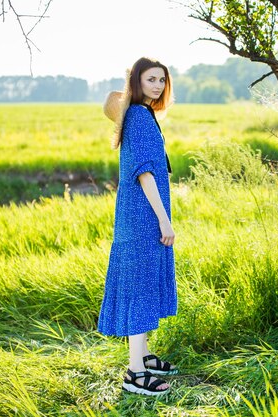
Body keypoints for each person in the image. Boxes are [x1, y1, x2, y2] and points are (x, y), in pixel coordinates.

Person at [98, 57, 178, 396]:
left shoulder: (140, 115)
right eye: (150, 79)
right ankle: (134, 373)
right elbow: (144, 173)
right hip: (144, 215)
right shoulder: (140, 117)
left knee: (141, 282)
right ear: (137, 82)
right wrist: (163, 218)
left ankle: (142, 356)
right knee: (140, 285)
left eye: (162, 80)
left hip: (137, 212)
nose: (158, 85)